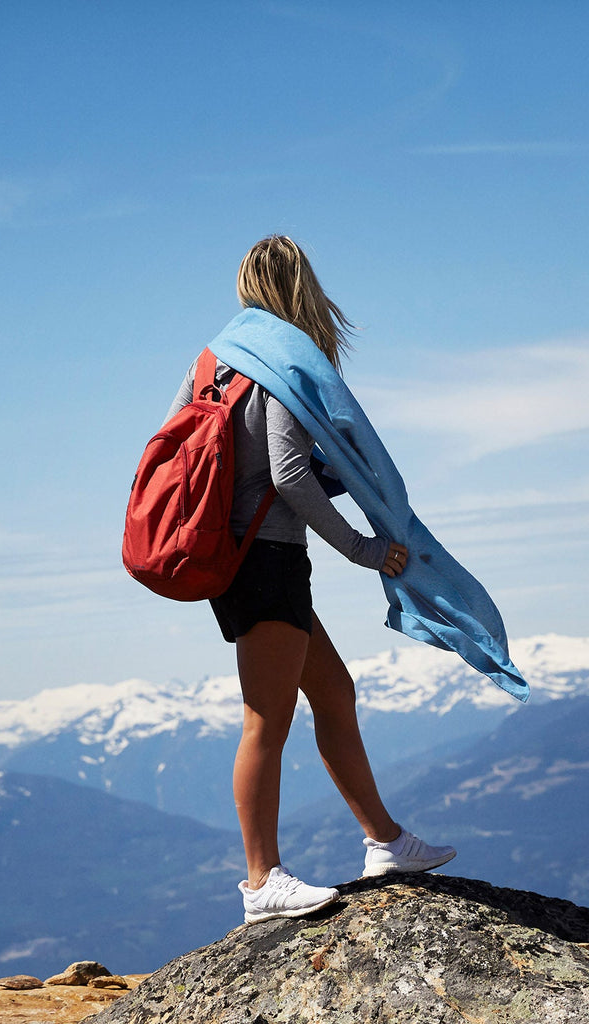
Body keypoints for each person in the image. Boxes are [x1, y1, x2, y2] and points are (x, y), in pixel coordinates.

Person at [164, 236, 455, 924]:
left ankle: (385, 841)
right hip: (265, 558)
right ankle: (261, 882)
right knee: (267, 719)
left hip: (230, 557)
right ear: (302, 289)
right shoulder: (279, 361)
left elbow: (183, 441)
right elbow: (288, 472)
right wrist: (363, 546)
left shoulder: (212, 361)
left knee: (333, 691)